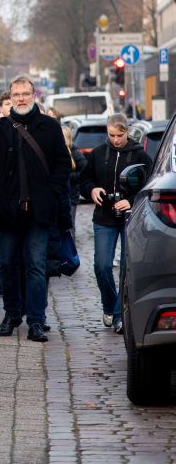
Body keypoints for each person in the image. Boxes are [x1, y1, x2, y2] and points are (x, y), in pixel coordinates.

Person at [0, 75, 72, 343]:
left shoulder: (50, 127)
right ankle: (11, 315)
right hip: (7, 210)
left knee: (35, 266)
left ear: (34, 96)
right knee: (7, 265)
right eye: (16, 94)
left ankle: (36, 320)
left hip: (39, 212)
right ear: (10, 97)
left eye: (25, 94)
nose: (21, 98)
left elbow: (63, 163)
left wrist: (51, 191)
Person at [78, 113, 152, 334]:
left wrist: (130, 201)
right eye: (111, 135)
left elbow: (149, 185)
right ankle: (110, 307)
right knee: (101, 266)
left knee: (125, 269)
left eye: (119, 135)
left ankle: (119, 315)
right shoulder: (98, 153)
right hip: (104, 216)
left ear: (128, 131)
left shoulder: (140, 154)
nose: (115, 140)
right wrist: (92, 189)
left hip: (131, 218)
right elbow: (85, 180)